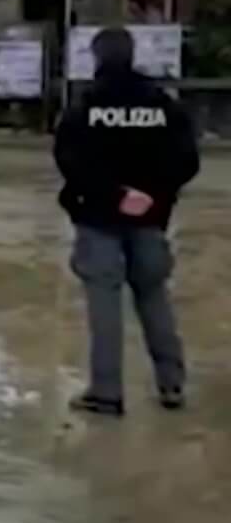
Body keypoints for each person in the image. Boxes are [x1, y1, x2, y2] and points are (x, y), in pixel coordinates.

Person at [54, 27, 200, 417]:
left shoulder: (85, 106)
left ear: (97, 57)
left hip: (99, 218)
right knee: (154, 297)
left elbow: (71, 163)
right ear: (133, 55)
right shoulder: (162, 104)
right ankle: (172, 385)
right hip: (151, 219)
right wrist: (152, 195)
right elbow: (187, 161)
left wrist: (117, 195)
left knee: (105, 306)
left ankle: (106, 392)